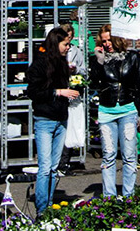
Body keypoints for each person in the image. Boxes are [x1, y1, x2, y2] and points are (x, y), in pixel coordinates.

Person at [26, 27, 80, 217]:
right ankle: (42, 210)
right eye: (65, 44)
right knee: (45, 166)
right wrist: (58, 92)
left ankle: (49, 205)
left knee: (54, 167)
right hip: (45, 120)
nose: (68, 48)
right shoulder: (40, 64)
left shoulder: (63, 63)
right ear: (55, 44)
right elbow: (33, 92)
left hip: (61, 119)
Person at [90, 24, 140, 198]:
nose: (107, 44)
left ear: (118, 39)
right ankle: (109, 197)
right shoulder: (100, 59)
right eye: (104, 41)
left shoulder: (133, 57)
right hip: (106, 111)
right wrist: (98, 61)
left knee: (129, 155)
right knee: (108, 155)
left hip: (128, 109)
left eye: (109, 40)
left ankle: (129, 195)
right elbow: (93, 83)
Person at [57, 22, 86, 175]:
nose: (69, 41)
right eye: (66, 37)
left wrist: (76, 70)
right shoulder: (54, 51)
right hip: (59, 92)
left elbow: (83, 68)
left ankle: (64, 162)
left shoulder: (76, 51)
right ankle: (57, 161)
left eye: (70, 37)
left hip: (72, 91)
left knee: (70, 127)